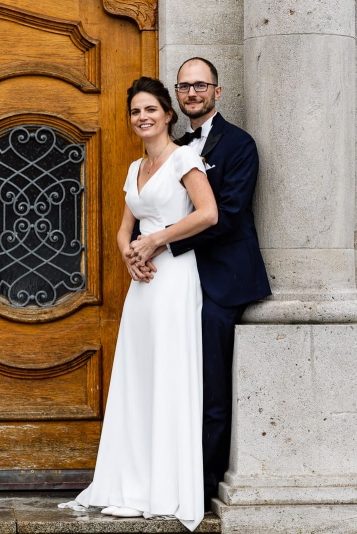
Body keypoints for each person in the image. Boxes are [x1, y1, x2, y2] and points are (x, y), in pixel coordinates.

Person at [65, 76, 218, 532]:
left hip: (173, 277)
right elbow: (122, 226)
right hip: (144, 282)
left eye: (150, 109)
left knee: (168, 373)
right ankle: (130, 484)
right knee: (138, 375)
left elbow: (208, 213)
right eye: (135, 111)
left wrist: (155, 241)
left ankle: (163, 488)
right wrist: (129, 255)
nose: (143, 117)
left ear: (168, 115)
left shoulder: (184, 158)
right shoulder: (134, 168)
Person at [130, 57, 272, 511]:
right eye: (185, 86)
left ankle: (202, 485)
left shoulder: (240, 144)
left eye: (201, 86)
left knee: (209, 385)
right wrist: (138, 250)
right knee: (174, 378)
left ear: (217, 91)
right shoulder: (174, 147)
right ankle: (163, 473)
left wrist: (161, 246)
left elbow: (225, 215)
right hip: (176, 280)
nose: (193, 93)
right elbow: (162, 211)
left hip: (221, 280)